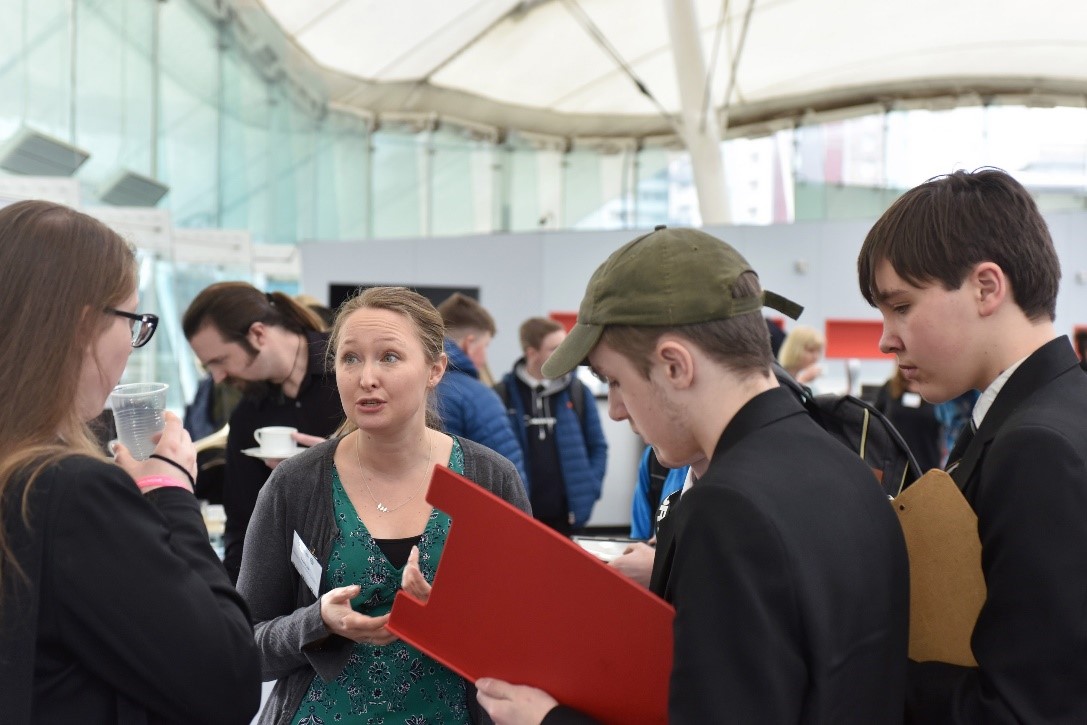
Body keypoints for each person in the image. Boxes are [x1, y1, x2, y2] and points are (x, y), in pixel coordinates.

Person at [476, 226, 909, 724]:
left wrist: (548, 721)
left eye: (617, 381)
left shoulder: (728, 507)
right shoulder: (844, 465)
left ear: (675, 366)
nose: (616, 410)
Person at [0, 200, 260, 723]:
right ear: (81, 327)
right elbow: (227, 678)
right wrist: (169, 491)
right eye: (133, 321)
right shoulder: (66, 491)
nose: (133, 345)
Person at [238, 286, 530, 724]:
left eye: (389, 357)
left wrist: (452, 621)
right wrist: (317, 622)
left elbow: (530, 640)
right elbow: (246, 647)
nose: (365, 377)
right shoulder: (295, 484)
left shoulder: (489, 478)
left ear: (435, 370)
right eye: (350, 359)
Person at [857, 167, 1087, 723]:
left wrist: (863, 672)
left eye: (902, 306)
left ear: (986, 287)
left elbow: (1025, 707)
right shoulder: (1048, 410)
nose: (887, 338)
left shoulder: (1034, 447)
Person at [183, 282, 345, 582]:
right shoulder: (248, 417)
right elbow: (242, 529)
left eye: (220, 361)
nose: (218, 377)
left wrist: (341, 460)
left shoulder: (350, 365)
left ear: (258, 334)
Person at [496, 317, 608, 533]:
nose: (563, 354)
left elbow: (598, 446)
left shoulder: (578, 392)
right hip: (521, 516)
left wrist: (590, 488)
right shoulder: (502, 395)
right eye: (554, 348)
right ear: (532, 353)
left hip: (567, 517)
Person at [434, 292, 528, 482]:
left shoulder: (414, 387)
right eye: (485, 346)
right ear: (468, 344)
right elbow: (509, 481)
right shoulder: (479, 397)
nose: (485, 358)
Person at [874, 367, 944, 472]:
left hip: (927, 466)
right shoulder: (890, 387)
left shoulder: (936, 390)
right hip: (892, 465)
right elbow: (875, 421)